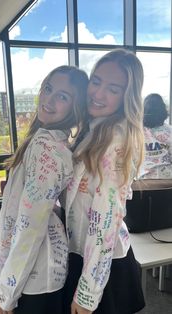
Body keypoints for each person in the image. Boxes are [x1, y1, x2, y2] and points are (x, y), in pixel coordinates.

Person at [0, 65, 89, 314]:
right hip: (34, 270)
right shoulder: (45, 139)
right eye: (48, 89)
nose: (49, 99)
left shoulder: (48, 149)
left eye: (62, 97)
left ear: (75, 108)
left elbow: (30, 229)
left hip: (34, 277)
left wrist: (7, 292)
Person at [63, 49, 145, 314]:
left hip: (101, 264)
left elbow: (106, 218)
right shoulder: (95, 128)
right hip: (86, 255)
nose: (97, 94)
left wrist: (88, 292)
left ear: (126, 97)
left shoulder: (115, 139)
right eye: (96, 81)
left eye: (112, 89)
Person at [139, 93, 172, 180]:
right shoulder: (170, 130)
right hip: (167, 181)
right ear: (163, 111)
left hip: (142, 180)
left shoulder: (136, 131)